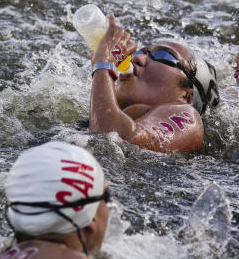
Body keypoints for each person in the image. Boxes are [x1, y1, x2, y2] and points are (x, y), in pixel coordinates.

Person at [87, 14, 220, 154]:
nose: (137, 58)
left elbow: (112, 142)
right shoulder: (94, 117)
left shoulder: (189, 117)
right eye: (140, 51)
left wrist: (103, 65)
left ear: (187, 97)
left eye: (163, 55)